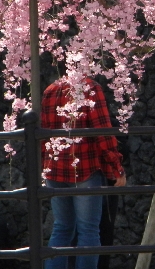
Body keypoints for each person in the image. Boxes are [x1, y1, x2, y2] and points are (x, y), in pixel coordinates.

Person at [41, 76, 126, 269]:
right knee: (88, 230)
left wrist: (44, 166)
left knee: (62, 228)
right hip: (84, 168)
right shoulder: (91, 88)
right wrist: (116, 166)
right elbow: (102, 131)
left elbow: (43, 133)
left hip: (55, 168)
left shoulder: (51, 89)